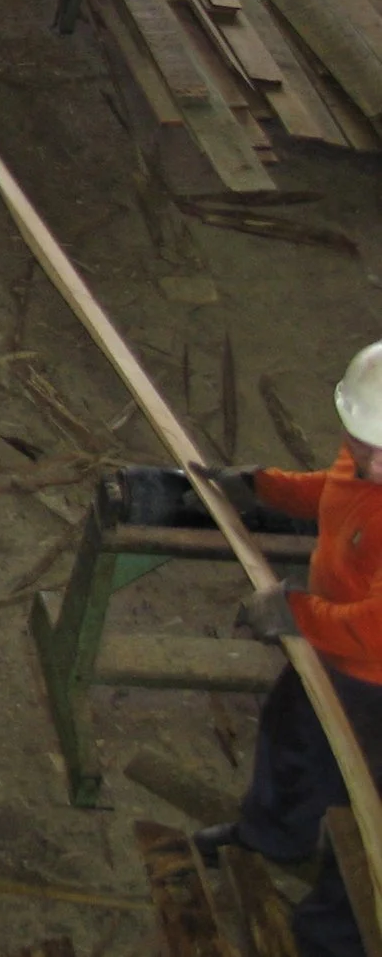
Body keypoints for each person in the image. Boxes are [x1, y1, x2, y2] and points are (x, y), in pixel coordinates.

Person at [195, 340, 382, 956]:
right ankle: (272, 837)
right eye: (361, 443)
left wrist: (295, 613)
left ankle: (332, 942)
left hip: (376, 676)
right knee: (293, 737)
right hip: (335, 654)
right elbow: (334, 490)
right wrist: (263, 487)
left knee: (369, 828)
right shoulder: (367, 447)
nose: (366, 460)